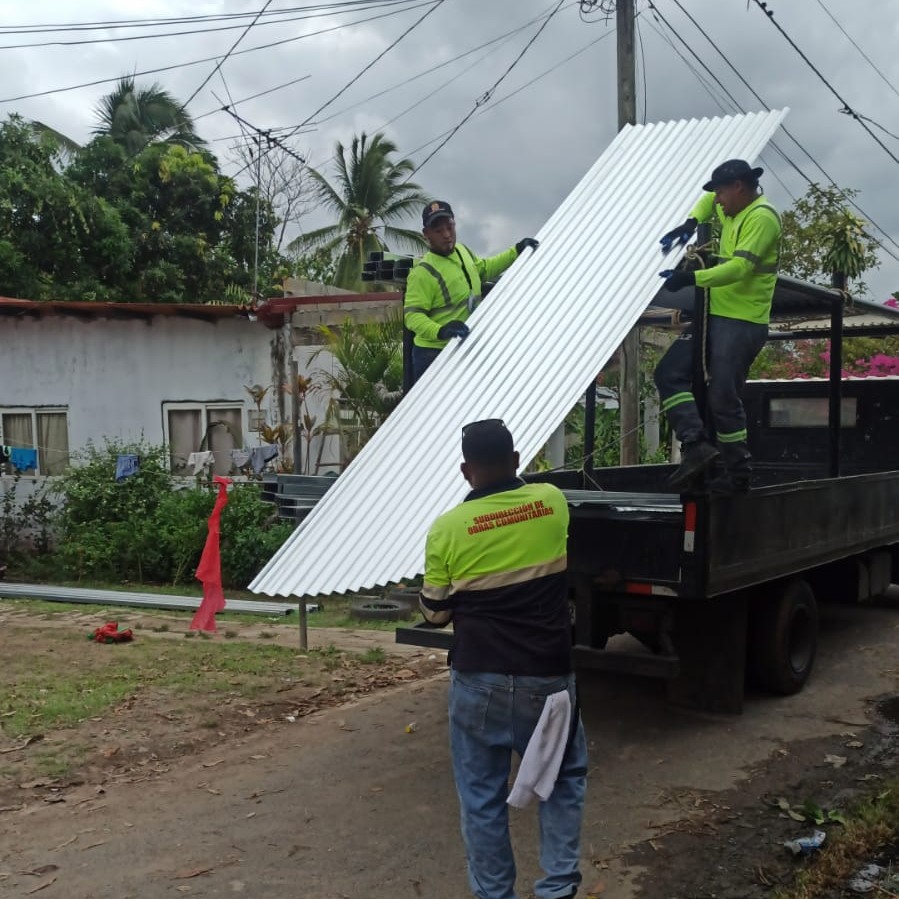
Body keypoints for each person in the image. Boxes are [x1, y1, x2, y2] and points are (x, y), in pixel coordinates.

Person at [420, 419, 587, 899]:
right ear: (517, 461)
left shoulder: (447, 528)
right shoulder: (552, 502)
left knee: (481, 797)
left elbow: (434, 613)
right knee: (562, 781)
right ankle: (557, 890)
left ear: (465, 470)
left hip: (479, 679)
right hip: (549, 680)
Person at [654, 158, 782, 493]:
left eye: (721, 191)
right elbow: (708, 201)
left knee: (723, 396)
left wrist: (691, 277)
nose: (718, 200)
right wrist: (690, 221)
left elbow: (740, 268)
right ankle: (696, 446)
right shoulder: (731, 207)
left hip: (743, 320)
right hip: (715, 314)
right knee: (668, 374)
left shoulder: (762, 218)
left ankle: (739, 472)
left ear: (738, 186)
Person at [403, 200, 539, 382]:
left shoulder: (461, 251)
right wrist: (441, 330)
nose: (446, 235)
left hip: (462, 346)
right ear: (426, 234)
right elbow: (412, 317)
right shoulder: (423, 272)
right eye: (438, 231)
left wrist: (516, 251)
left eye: (449, 227)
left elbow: (482, 269)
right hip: (433, 355)